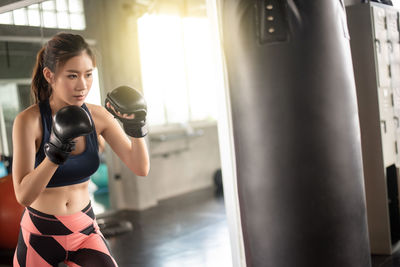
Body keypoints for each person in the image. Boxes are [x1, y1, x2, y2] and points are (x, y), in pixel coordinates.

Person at [12, 32, 149, 267]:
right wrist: (55, 153)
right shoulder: (29, 121)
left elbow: (140, 167)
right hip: (39, 234)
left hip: (84, 229)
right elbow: (23, 195)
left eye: (88, 75)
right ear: (49, 75)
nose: (82, 85)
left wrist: (136, 128)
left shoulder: (98, 116)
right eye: (72, 75)